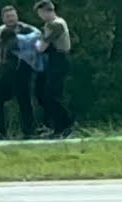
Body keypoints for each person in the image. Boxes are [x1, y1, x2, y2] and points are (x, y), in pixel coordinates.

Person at [0, 6, 38, 139]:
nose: (11, 19)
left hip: (22, 69)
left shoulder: (27, 30)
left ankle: (29, 131)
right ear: (3, 18)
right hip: (4, 70)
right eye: (8, 16)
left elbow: (38, 44)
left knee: (24, 100)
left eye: (13, 16)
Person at [33, 0, 74, 137]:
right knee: (45, 94)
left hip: (58, 59)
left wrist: (35, 44)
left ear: (45, 11)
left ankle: (67, 123)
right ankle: (58, 126)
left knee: (52, 95)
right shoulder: (53, 24)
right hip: (54, 60)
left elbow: (41, 47)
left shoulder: (55, 25)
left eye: (40, 13)